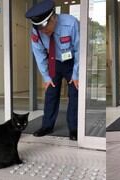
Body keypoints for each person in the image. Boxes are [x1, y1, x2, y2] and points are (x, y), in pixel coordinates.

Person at [25, 0, 79, 140]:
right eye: (40, 29)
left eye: (45, 27)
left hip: (71, 62)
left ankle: (74, 129)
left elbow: (80, 50)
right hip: (53, 61)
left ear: (54, 18)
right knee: (50, 93)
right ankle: (47, 126)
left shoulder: (71, 23)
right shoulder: (36, 31)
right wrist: (46, 77)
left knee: (74, 94)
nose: (44, 31)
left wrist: (76, 74)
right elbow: (39, 54)